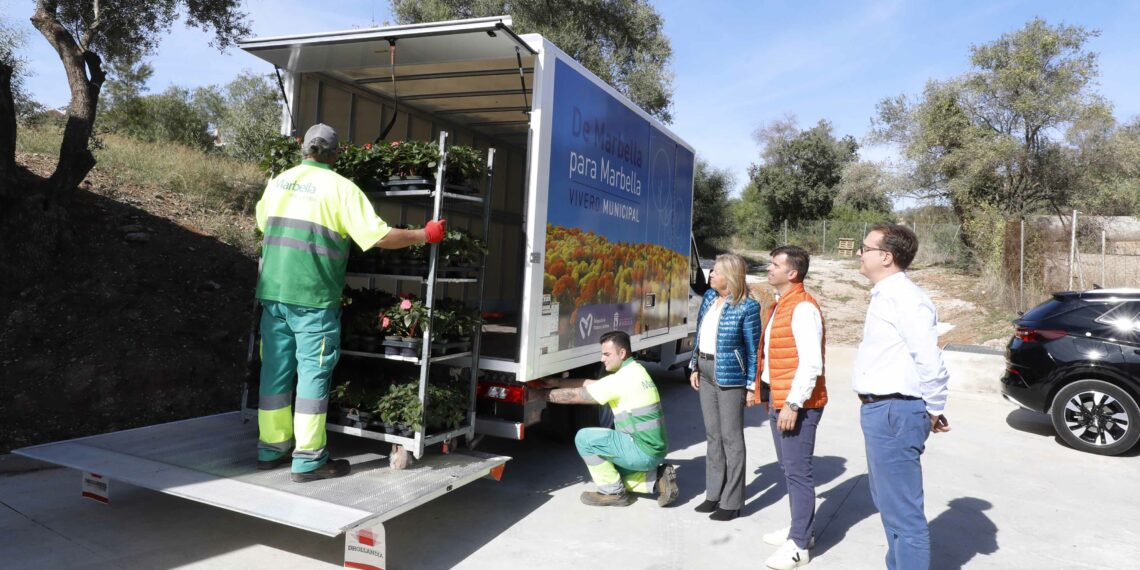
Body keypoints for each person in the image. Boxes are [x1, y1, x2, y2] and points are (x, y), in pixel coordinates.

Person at [254, 123, 446, 483]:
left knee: (275, 372)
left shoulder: (278, 182)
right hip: (312, 297)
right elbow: (379, 237)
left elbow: (263, 221)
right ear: (335, 153)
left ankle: (272, 447)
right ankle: (309, 459)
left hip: (273, 295)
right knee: (313, 374)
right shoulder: (341, 189)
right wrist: (425, 234)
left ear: (304, 150)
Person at [853, 223, 951, 569]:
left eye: (865, 248)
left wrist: (934, 408)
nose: (859, 253)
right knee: (890, 506)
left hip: (895, 411)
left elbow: (930, 359)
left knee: (903, 515)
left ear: (886, 256)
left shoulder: (906, 298)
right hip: (884, 410)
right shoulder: (887, 294)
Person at [534, 331, 678, 507]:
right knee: (608, 471)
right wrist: (558, 382)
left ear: (622, 353)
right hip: (654, 450)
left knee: (585, 439)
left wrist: (536, 394)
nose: (602, 359)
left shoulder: (622, 380)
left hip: (641, 451)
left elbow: (577, 396)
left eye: (607, 354)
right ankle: (656, 479)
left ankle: (613, 493)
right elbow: (592, 384)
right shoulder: (636, 371)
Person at [755, 246, 827, 570]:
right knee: (788, 469)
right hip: (779, 398)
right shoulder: (779, 304)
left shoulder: (803, 308)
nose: (769, 268)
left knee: (798, 473)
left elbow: (812, 364)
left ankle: (799, 545)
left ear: (792, 273)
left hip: (797, 403)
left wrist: (793, 404)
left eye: (775, 264)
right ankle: (802, 528)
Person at [688, 253, 761, 521]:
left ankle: (732, 501)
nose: (710, 275)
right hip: (705, 371)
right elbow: (699, 334)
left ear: (729, 276)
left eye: (715, 271)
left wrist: (752, 385)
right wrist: (694, 365)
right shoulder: (709, 298)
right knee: (712, 435)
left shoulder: (748, 307)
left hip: (730, 376)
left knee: (731, 438)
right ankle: (713, 494)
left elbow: (754, 350)